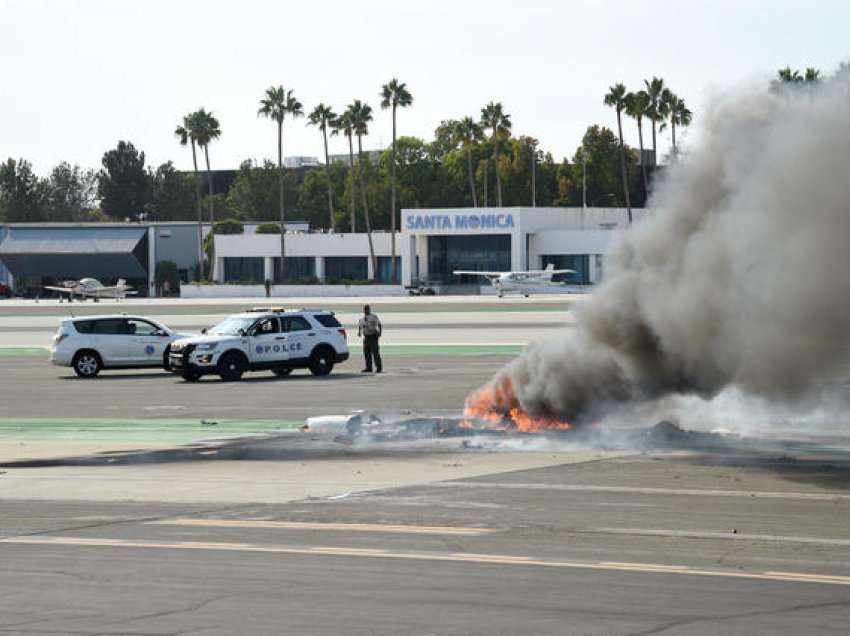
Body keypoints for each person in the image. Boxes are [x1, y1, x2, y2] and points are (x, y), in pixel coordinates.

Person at [358, 304, 382, 373]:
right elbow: (360, 326)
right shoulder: (362, 319)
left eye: (367, 309)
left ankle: (379, 367)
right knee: (366, 353)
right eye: (365, 309)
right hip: (366, 337)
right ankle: (369, 367)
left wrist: (380, 332)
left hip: (373, 336)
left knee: (375, 353)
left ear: (369, 309)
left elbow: (379, 324)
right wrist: (359, 332)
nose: (366, 310)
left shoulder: (373, 317)